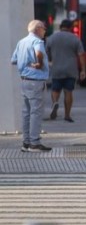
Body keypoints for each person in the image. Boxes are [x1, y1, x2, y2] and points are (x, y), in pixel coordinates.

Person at [9, 20, 52, 152]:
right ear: (38, 29)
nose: (45, 31)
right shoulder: (37, 41)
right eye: (44, 28)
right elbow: (39, 53)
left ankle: (26, 142)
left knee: (26, 112)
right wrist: (38, 63)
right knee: (36, 112)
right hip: (36, 80)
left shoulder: (21, 42)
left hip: (25, 81)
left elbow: (14, 60)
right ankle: (34, 143)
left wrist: (26, 63)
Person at [46, 19, 86, 122]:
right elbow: (81, 55)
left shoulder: (51, 38)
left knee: (55, 90)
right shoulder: (75, 39)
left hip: (56, 68)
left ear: (60, 27)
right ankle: (67, 115)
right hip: (70, 70)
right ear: (71, 27)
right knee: (68, 91)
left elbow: (46, 52)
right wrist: (83, 70)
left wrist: (49, 61)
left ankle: (55, 103)